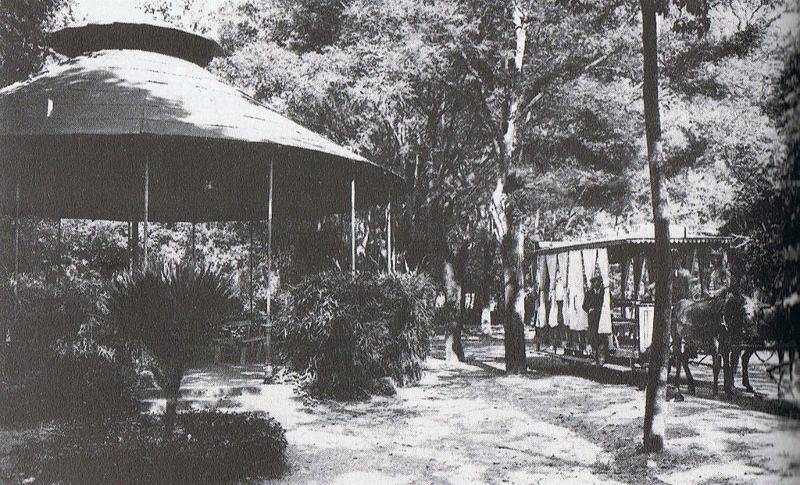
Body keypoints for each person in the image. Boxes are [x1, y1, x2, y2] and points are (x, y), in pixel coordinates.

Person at [583, 275, 606, 365]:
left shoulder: (604, 292)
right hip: (593, 318)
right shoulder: (589, 293)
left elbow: (610, 301)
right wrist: (589, 309)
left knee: (602, 337)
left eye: (599, 281)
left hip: (601, 317)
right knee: (594, 337)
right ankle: (595, 357)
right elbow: (584, 306)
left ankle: (601, 357)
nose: (598, 283)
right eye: (596, 282)